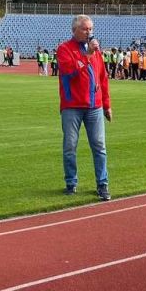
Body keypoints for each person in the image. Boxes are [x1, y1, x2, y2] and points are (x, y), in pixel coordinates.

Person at [57, 15, 112, 201]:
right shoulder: (64, 49)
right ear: (74, 30)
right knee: (70, 146)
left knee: (99, 146)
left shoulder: (96, 51)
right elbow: (69, 71)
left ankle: (102, 184)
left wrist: (107, 104)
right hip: (72, 106)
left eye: (91, 29)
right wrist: (87, 54)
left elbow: (102, 78)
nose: (89, 32)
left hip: (94, 106)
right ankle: (71, 183)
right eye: (85, 29)